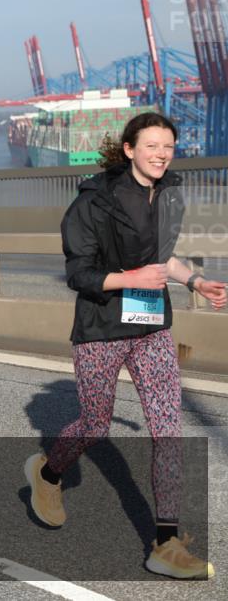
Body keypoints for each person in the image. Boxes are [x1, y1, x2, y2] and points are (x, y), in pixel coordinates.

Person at [24, 112, 226, 579]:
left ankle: (165, 542)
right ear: (130, 149)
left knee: (168, 428)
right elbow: (79, 273)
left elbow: (162, 258)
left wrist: (194, 280)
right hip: (101, 327)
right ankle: (48, 473)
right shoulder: (93, 202)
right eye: (152, 146)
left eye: (169, 147)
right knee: (94, 422)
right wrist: (131, 277)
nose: (161, 154)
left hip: (151, 326)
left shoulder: (169, 193)